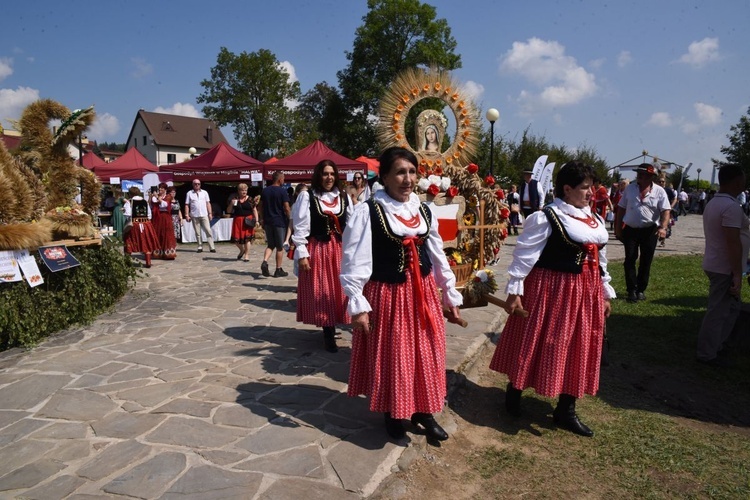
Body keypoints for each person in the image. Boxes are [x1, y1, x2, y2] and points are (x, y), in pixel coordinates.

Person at [340, 146, 463, 441]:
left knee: (426, 352)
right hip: (388, 293)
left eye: (411, 172)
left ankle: (424, 411)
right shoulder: (368, 211)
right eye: (399, 172)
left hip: (421, 293)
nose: (407, 179)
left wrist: (449, 292)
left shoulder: (423, 210)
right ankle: (393, 412)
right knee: (394, 355)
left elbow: (436, 253)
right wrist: (358, 304)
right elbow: (354, 260)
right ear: (384, 176)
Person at [489, 161, 614, 437]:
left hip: (587, 291)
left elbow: (599, 260)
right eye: (585, 187)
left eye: (592, 186)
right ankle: (515, 390)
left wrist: (605, 291)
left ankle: (566, 409)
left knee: (580, 345)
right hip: (552, 289)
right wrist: (514, 291)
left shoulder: (594, 220)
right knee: (539, 339)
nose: (591, 192)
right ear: (567, 189)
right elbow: (524, 256)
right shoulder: (548, 217)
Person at [292, 160, 354, 353]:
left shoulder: (344, 197)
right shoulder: (307, 196)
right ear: (318, 176)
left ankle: (341, 322)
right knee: (324, 291)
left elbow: (352, 225)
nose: (329, 178)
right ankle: (328, 331)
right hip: (319, 248)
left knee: (342, 290)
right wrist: (302, 253)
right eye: (325, 174)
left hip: (340, 249)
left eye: (332, 174)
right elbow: (300, 227)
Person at [697, 164, 749, 366]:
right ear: (736, 181)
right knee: (718, 311)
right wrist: (737, 273)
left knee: (730, 308)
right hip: (724, 266)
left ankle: (718, 345)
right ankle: (707, 353)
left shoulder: (715, 203)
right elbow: (732, 242)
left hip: (717, 262)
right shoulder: (730, 207)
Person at [614, 163, 671, 303]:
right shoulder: (629, 189)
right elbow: (621, 209)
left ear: (651, 176)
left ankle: (641, 289)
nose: (639, 176)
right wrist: (618, 228)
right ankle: (631, 290)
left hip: (650, 230)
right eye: (638, 173)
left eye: (643, 174)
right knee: (630, 259)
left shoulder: (659, 191)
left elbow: (665, 211)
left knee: (646, 261)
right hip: (631, 230)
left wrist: (663, 228)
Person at [260, 171, 291, 277]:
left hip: (268, 221)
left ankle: (265, 261)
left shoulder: (265, 191)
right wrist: (290, 218)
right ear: (279, 179)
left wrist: (262, 218)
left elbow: (261, 206)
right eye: (283, 179)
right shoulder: (282, 191)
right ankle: (278, 269)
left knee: (270, 245)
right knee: (279, 247)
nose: (284, 181)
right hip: (279, 221)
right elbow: (286, 207)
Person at [124, 187, 158, 268]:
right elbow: (149, 215)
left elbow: (128, 215)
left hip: (135, 224)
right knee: (146, 242)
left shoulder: (129, 202)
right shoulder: (145, 202)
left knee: (129, 241)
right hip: (146, 224)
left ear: (130, 194)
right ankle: (148, 261)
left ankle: (127, 262)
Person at [227, 183, 258, 262]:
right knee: (236, 240)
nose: (244, 192)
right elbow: (229, 211)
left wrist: (257, 220)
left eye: (245, 190)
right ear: (238, 191)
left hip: (248, 220)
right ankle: (242, 250)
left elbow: (254, 210)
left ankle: (247, 255)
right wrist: (231, 203)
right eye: (242, 190)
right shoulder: (235, 199)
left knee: (247, 239)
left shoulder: (250, 199)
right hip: (238, 221)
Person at [184, 179, 215, 253]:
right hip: (194, 215)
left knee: (208, 230)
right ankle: (200, 246)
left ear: (200, 185)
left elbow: (208, 203)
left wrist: (210, 213)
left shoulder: (204, 192)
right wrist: (187, 215)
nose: (197, 185)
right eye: (195, 184)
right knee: (197, 232)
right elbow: (187, 205)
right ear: (193, 184)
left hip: (204, 214)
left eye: (198, 184)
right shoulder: (189, 193)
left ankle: (212, 247)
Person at [150, 183, 177, 260]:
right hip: (158, 217)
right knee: (158, 233)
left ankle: (168, 253)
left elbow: (164, 205)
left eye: (162, 188)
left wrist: (157, 197)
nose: (160, 190)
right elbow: (153, 204)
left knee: (167, 233)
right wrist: (152, 197)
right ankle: (158, 252)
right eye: (159, 188)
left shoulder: (168, 196)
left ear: (165, 189)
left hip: (165, 217)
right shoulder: (156, 197)